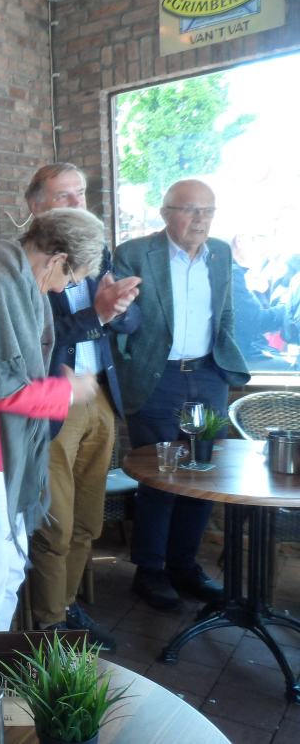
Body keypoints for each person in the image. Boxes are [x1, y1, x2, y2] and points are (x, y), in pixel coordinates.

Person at [0, 208, 103, 631]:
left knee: (9, 568)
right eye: (72, 277)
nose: (68, 287)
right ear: (56, 259)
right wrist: (66, 391)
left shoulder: (19, 285)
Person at [113, 179, 251, 612]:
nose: (200, 220)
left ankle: (184, 566)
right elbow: (120, 318)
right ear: (165, 212)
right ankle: (149, 570)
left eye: (208, 211)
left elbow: (224, 309)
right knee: (160, 474)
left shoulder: (221, 253)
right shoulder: (135, 253)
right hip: (159, 378)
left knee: (201, 473)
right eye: (190, 210)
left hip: (207, 377)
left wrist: (223, 353)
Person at [23, 164, 142, 650]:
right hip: (56, 402)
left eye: (81, 194)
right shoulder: (27, 267)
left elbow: (131, 322)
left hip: (100, 399)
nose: (77, 203)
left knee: (90, 520)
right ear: (36, 207)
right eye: (63, 196)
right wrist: (97, 313)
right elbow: (39, 341)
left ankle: (69, 607)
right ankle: (49, 625)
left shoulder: (100, 252)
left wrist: (116, 308)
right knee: (57, 523)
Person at [230, 233, 290, 369]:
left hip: (242, 349)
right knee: (293, 369)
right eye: (256, 239)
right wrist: (289, 306)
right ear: (239, 240)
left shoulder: (230, 269)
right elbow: (256, 322)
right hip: (236, 357)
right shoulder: (231, 272)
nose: (261, 247)